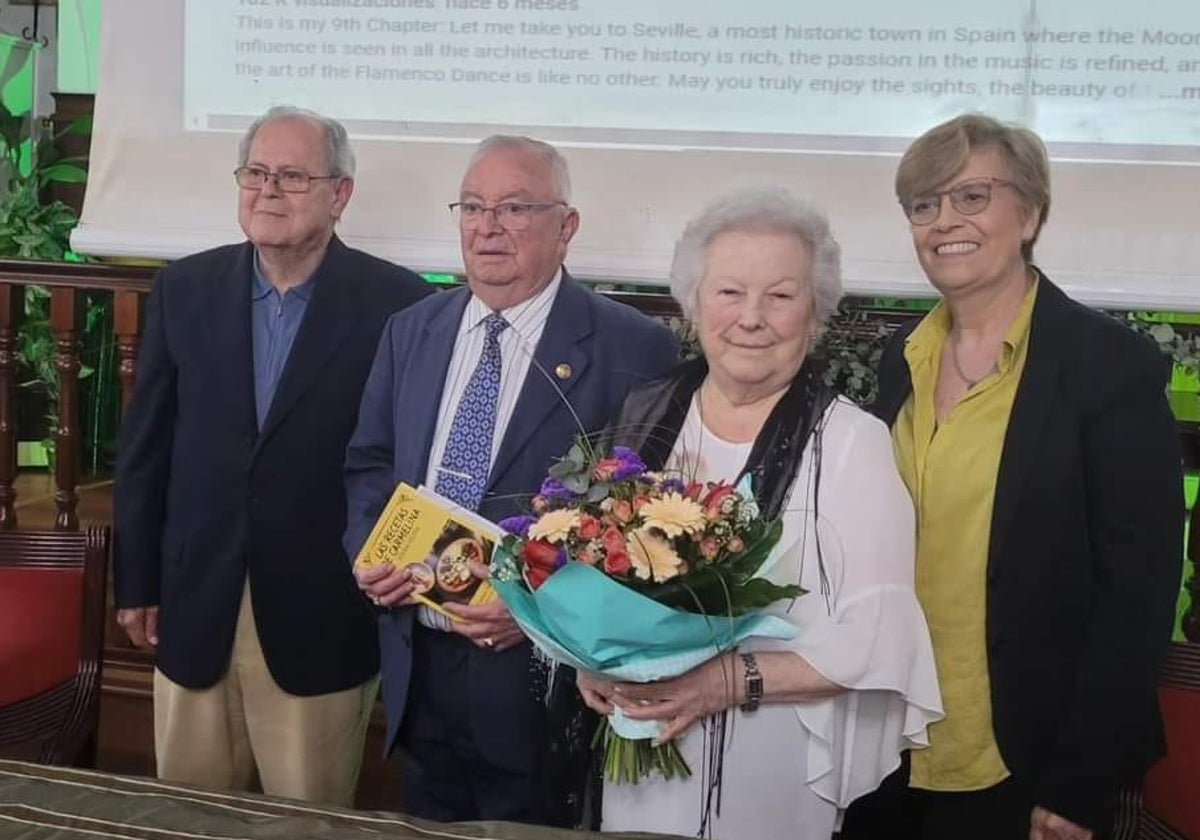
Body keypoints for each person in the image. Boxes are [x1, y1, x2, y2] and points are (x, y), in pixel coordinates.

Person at [843, 113, 1183, 840]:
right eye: (924, 205)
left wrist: (1076, 785)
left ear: (1029, 213)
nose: (944, 222)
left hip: (1029, 759)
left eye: (972, 197)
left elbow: (1139, 592)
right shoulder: (904, 353)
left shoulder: (1106, 365)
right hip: (887, 746)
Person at [577, 187, 943, 840]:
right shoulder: (642, 416)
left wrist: (723, 681)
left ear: (816, 314)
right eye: (729, 292)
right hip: (639, 748)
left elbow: (877, 638)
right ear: (693, 304)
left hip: (768, 768)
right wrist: (590, 659)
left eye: (781, 295)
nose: (753, 317)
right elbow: (590, 578)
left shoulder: (851, 442)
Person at [343, 135, 678, 826]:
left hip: (539, 683)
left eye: (515, 207)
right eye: (472, 206)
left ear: (567, 226)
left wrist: (538, 610)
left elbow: (642, 520)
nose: (487, 226)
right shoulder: (412, 330)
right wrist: (369, 549)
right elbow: (371, 462)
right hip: (418, 656)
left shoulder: (630, 347)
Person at [112, 106, 432, 805]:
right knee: (189, 815)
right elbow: (146, 448)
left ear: (339, 194)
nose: (268, 191)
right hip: (196, 601)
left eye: (291, 176)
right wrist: (136, 580)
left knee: (306, 819)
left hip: (322, 610)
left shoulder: (398, 304)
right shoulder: (184, 289)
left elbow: (409, 461)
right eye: (255, 173)